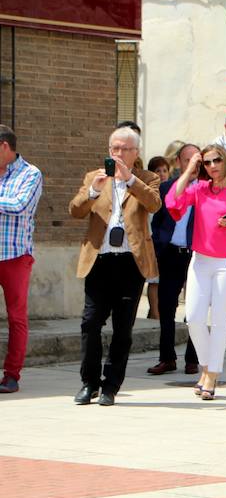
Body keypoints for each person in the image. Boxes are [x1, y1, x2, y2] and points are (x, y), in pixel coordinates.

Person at [69, 126, 161, 406]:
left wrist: (130, 179)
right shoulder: (94, 177)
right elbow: (75, 210)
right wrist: (93, 191)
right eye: (115, 148)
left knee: (123, 328)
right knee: (90, 323)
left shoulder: (147, 178)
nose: (119, 153)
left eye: (125, 149)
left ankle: (111, 385)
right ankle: (89, 383)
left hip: (130, 263)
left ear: (136, 152)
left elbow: (154, 204)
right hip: (100, 261)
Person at [166, 144, 226, 400]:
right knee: (193, 317)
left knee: (219, 319)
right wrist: (189, 170)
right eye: (207, 162)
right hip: (200, 260)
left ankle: (212, 375)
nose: (212, 166)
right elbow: (173, 201)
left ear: (225, 160)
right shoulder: (200, 188)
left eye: (216, 160)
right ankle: (206, 367)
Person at [148, 144, 201, 376]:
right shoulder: (167, 187)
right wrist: (159, 243)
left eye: (196, 160)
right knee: (166, 306)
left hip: (196, 254)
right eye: (187, 160)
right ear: (178, 162)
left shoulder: (206, 189)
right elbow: (157, 220)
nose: (192, 165)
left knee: (196, 308)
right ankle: (167, 358)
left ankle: (193, 358)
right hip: (170, 253)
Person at [0, 125, 43, 394]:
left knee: (16, 317)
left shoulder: (30, 173)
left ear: (4, 146)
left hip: (15, 255)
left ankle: (11, 375)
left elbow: (19, 205)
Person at [144, 156, 171, 321]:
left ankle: (161, 311)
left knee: (165, 281)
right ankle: (155, 313)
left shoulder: (173, 191)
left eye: (165, 170)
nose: (162, 174)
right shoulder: (149, 192)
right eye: (158, 170)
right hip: (152, 240)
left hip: (167, 242)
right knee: (154, 280)